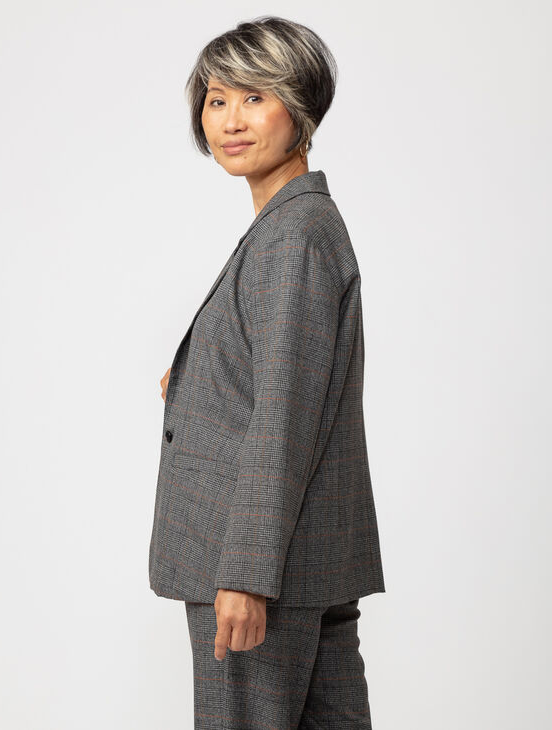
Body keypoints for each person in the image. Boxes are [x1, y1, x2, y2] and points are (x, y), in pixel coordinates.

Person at [148, 15, 386, 729]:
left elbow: (282, 418)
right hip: (305, 560)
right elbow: (285, 382)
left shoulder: (293, 236)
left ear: (301, 109)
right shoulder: (293, 229)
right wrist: (196, 378)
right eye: (217, 100)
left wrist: (246, 576)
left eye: (256, 97)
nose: (231, 120)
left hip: (259, 569)